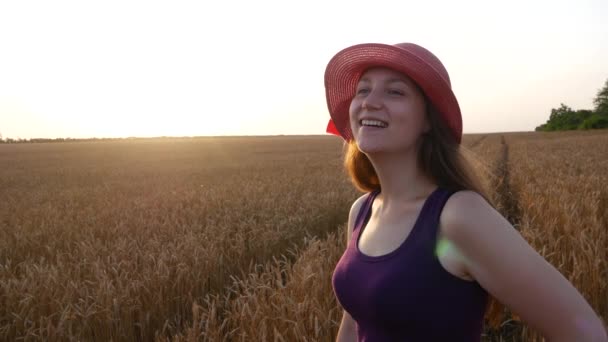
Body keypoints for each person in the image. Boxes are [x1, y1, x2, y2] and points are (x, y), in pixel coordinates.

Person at [324, 42, 607, 342]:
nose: (369, 102)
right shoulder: (362, 212)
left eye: (395, 91)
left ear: (429, 120)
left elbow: (584, 331)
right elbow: (355, 324)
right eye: (363, 90)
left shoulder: (458, 217)